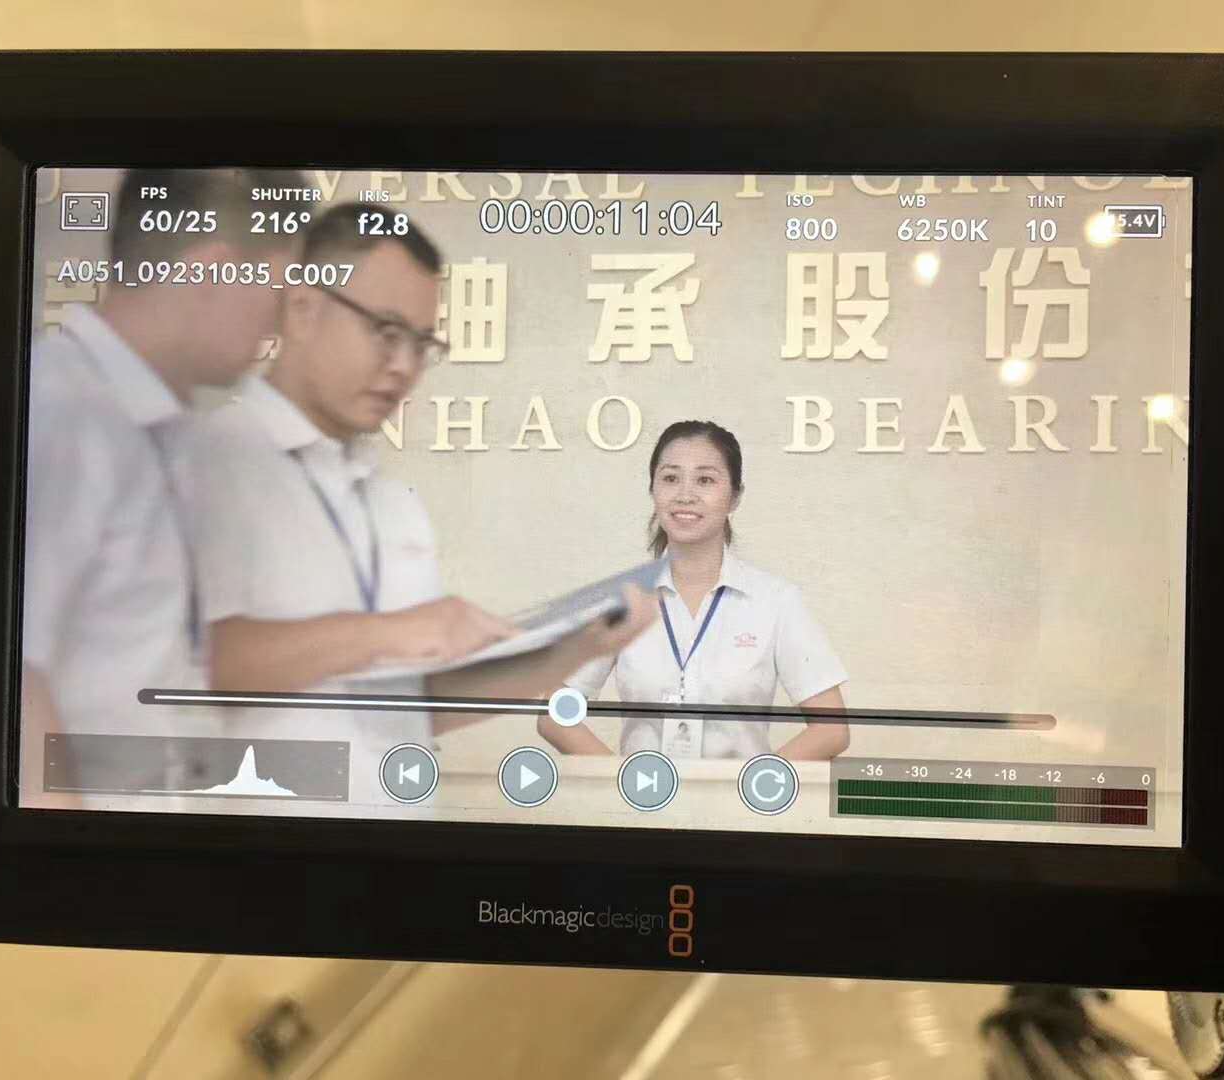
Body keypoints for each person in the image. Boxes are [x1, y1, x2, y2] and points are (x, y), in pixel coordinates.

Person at [184, 202, 654, 802]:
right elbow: (184, 664)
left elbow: (412, 709)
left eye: (422, 343)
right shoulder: (202, 461)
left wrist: (568, 653)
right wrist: (387, 633)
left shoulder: (391, 504)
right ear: (302, 309)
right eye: (386, 332)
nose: (405, 367)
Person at [21, 168, 305, 799]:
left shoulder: (162, 434)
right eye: (279, 292)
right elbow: (13, 679)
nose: (280, 326)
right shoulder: (60, 410)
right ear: (213, 271)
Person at [539, 420, 851, 761]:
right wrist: (625, 780)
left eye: (705, 480)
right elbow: (554, 717)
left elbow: (831, 730)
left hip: (738, 795)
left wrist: (754, 784)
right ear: (653, 490)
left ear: (735, 497)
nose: (685, 495)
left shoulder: (776, 600)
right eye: (671, 478)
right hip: (641, 794)